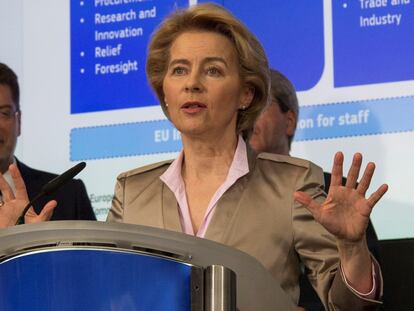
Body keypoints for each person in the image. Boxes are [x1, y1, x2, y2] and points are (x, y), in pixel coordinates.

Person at [106, 4, 387, 310]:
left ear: (246, 94)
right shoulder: (132, 191)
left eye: (212, 70)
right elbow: (104, 295)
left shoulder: (290, 183)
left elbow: (348, 305)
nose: (192, 83)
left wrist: (350, 247)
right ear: (165, 94)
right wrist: (45, 254)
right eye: (179, 70)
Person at [249, 69, 383, 310]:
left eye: (259, 106)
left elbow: (366, 300)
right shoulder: (229, 195)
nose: (248, 119)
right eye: (244, 110)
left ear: (289, 121)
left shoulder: (340, 194)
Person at [0, 62, 95, 227]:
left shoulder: (68, 195)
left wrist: (31, 242)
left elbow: (92, 254)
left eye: (4, 113)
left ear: (19, 121)